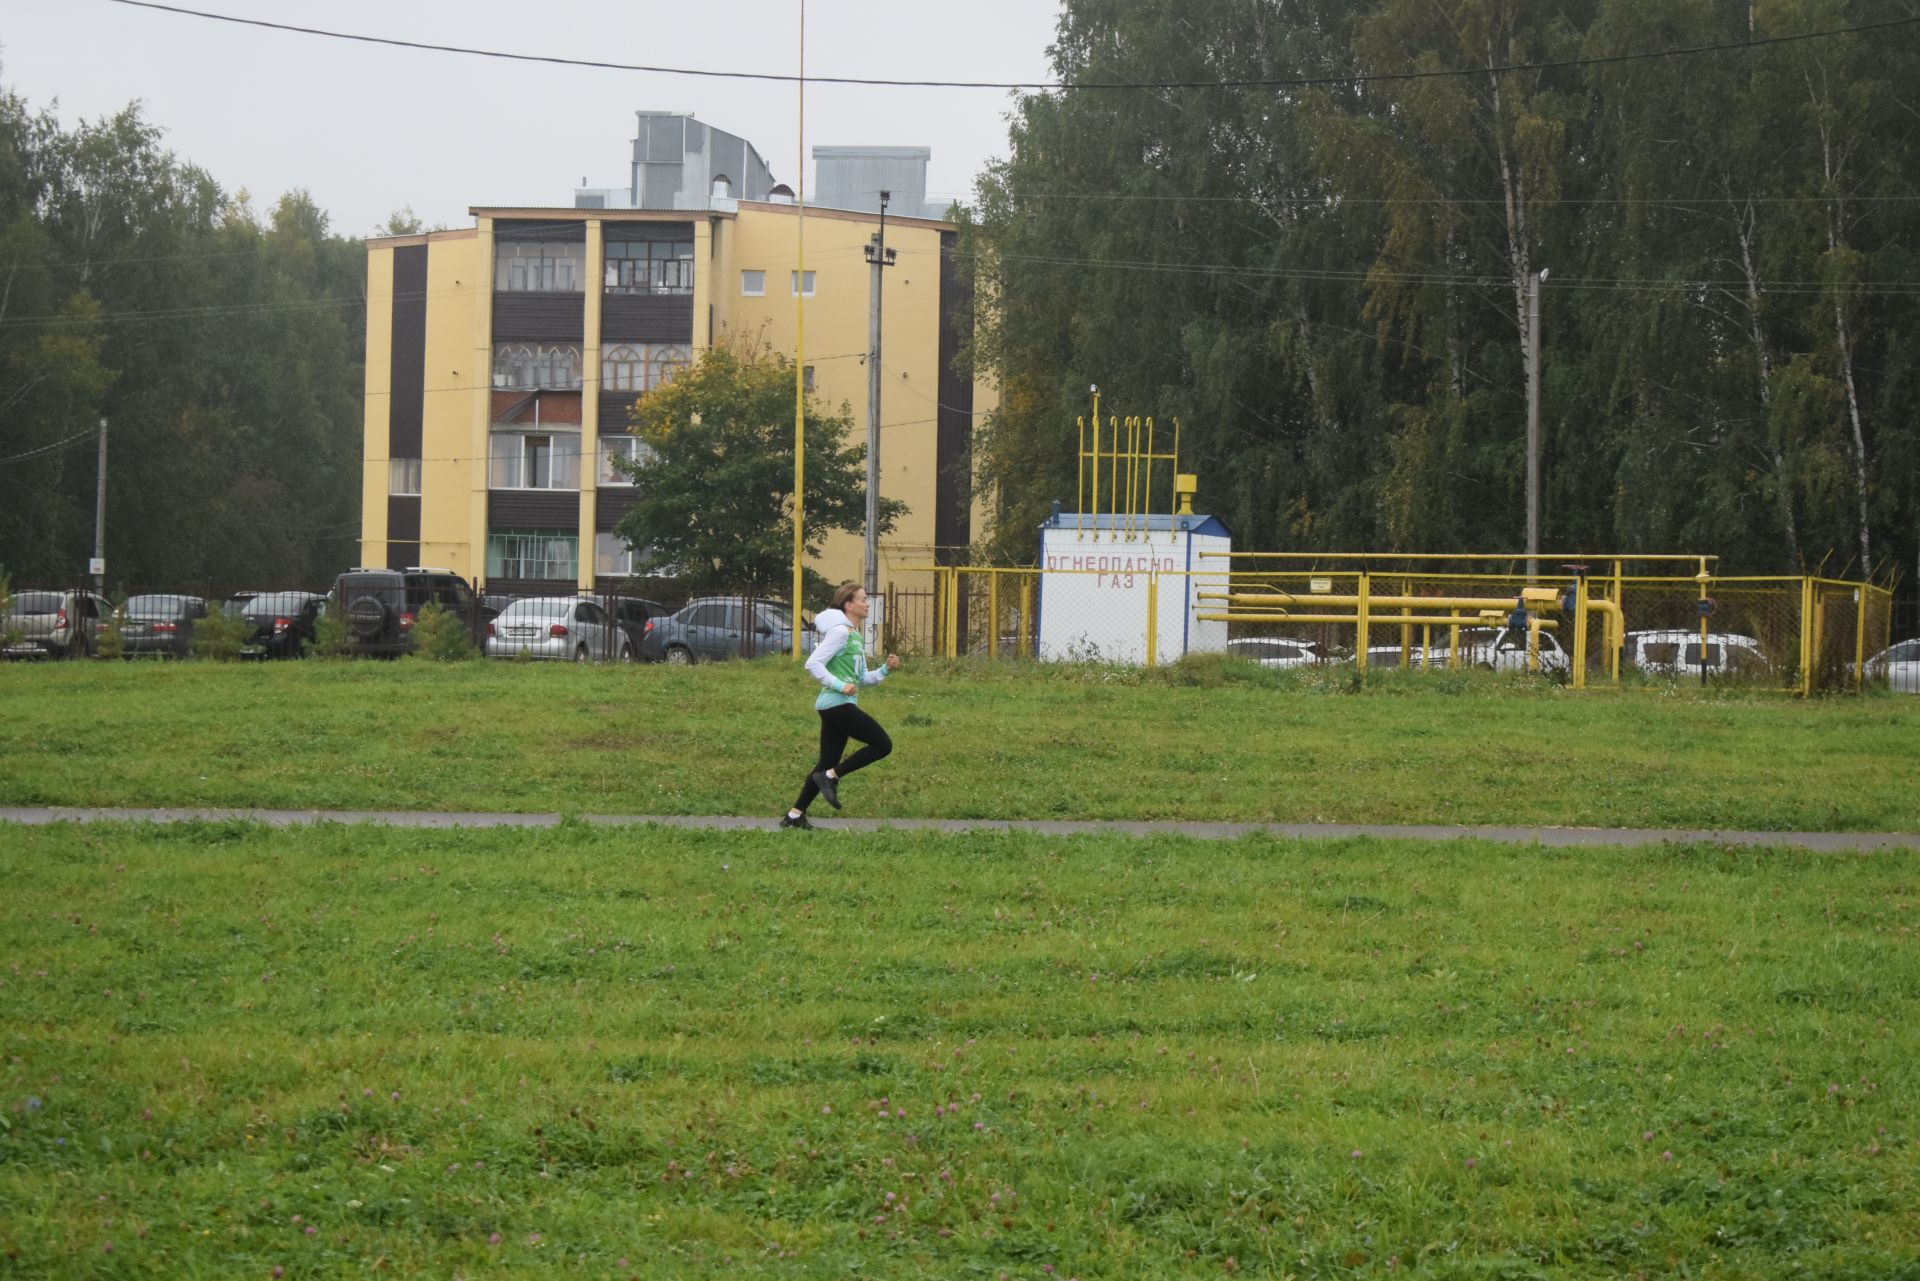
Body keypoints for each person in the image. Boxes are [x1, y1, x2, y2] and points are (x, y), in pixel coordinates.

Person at [781, 583, 901, 829]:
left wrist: (886, 669)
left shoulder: (855, 637)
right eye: (863, 599)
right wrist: (839, 685)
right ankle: (831, 777)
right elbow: (813, 664)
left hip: (837, 705)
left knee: (825, 762)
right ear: (849, 605)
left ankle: (794, 816)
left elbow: (861, 680)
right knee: (882, 744)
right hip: (836, 705)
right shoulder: (840, 633)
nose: (868, 603)